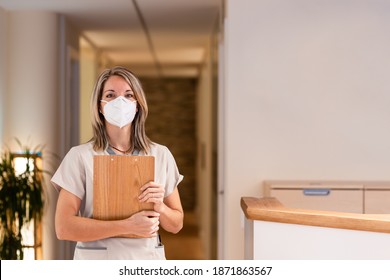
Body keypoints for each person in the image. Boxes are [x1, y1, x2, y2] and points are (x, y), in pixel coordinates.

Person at [51, 66, 184, 260]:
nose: (120, 102)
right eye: (111, 95)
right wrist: (128, 225)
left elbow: (176, 224)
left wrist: (159, 207)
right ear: (100, 105)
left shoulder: (160, 155)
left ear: (137, 105)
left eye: (129, 95)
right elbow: (63, 228)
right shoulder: (79, 157)